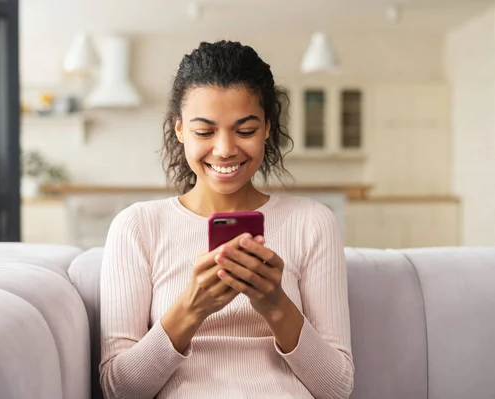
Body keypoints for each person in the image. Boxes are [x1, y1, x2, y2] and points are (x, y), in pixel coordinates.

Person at [99, 40, 354, 398]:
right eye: (204, 131)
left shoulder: (312, 222)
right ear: (179, 131)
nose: (224, 149)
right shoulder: (138, 226)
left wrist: (276, 305)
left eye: (245, 130)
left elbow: (337, 388)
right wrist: (193, 306)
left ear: (267, 128)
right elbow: (120, 389)